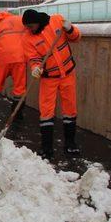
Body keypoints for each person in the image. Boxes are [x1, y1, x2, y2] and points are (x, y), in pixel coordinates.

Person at [22, 9, 81, 159]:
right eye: (27, 27)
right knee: (46, 111)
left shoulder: (56, 20)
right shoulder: (27, 39)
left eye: (31, 26)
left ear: (37, 22)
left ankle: (70, 145)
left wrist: (70, 29)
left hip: (68, 74)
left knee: (70, 108)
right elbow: (33, 58)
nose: (29, 29)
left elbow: (76, 37)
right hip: (48, 78)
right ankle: (47, 148)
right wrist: (35, 68)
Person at [0, 12, 27, 118]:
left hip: (3, 58)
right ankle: (17, 113)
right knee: (19, 87)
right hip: (20, 57)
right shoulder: (20, 19)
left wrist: (4, 61)